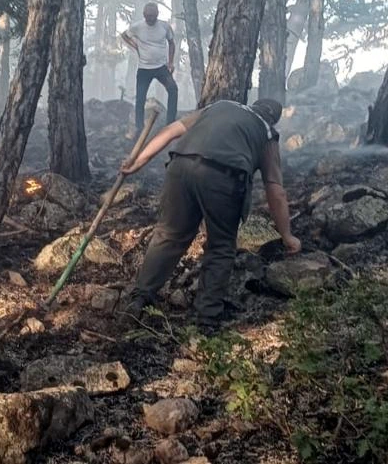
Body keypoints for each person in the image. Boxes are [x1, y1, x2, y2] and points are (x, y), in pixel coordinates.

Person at [118, 98, 301, 333]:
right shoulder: (266, 132)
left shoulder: (219, 106)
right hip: (223, 177)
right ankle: (206, 319)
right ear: (273, 119)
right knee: (221, 247)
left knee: (169, 235)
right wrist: (287, 235)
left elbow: (171, 131)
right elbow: (275, 190)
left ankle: (140, 298)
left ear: (253, 106)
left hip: (180, 166)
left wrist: (138, 162)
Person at [121, 2, 178, 133]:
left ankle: (170, 123)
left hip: (161, 67)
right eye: (147, 16)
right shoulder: (138, 26)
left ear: (157, 14)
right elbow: (124, 35)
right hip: (144, 69)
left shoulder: (164, 26)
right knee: (140, 98)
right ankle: (139, 127)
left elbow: (171, 43)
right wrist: (134, 46)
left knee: (173, 89)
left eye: (152, 15)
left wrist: (170, 62)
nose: (150, 18)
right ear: (144, 15)